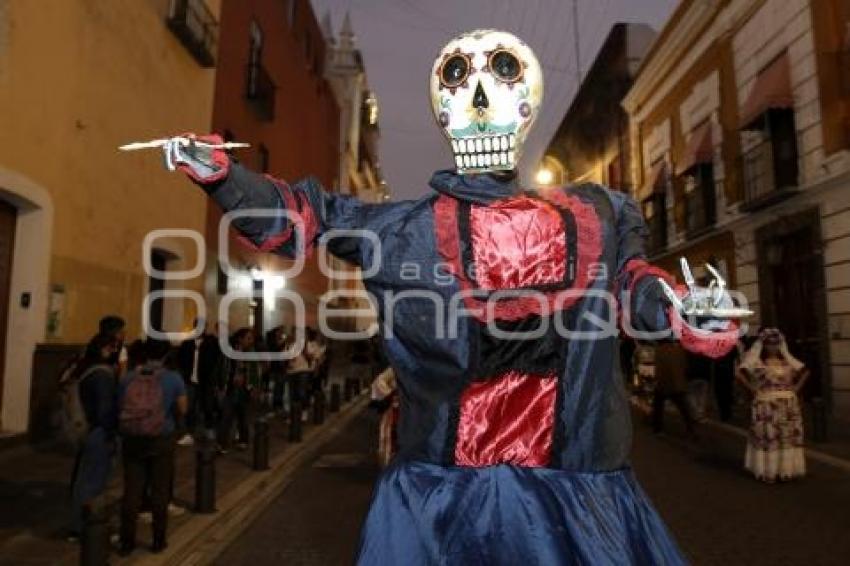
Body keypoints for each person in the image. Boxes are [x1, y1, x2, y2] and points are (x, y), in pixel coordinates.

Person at [158, 29, 749, 565]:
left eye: (503, 74)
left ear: (529, 103)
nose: (481, 100)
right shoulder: (400, 230)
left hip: (578, 501)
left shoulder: (602, 213)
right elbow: (301, 215)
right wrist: (223, 176)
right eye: (458, 80)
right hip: (442, 503)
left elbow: (632, 284)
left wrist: (680, 306)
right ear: (442, 109)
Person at [117, 339, 187, 555]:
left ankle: (126, 541)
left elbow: (120, 405)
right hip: (161, 437)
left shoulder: (129, 377)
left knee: (132, 490)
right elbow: (183, 409)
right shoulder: (173, 378)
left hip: (133, 438)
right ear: (166, 355)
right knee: (160, 490)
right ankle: (158, 540)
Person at [737, 328, 808, 483]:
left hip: (787, 404)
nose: (773, 347)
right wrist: (752, 388)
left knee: (785, 437)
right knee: (769, 437)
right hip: (766, 405)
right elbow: (739, 372)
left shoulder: (788, 361)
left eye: (776, 343)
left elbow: (805, 371)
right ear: (763, 344)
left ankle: (785, 470)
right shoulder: (756, 361)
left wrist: (796, 388)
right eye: (769, 343)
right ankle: (768, 470)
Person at [69, 333, 118, 540]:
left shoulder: (85, 369)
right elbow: (104, 410)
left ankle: (79, 524)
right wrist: (112, 431)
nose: (115, 351)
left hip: (85, 429)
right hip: (98, 431)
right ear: (103, 348)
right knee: (93, 482)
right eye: (112, 347)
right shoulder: (101, 375)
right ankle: (86, 527)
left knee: (84, 479)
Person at [651, 342, 697, 438]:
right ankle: (691, 428)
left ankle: (658, 429)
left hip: (664, 383)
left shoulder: (659, 351)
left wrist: (657, 380)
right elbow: (685, 366)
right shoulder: (679, 351)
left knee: (658, 406)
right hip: (677, 383)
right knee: (683, 407)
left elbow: (658, 369)